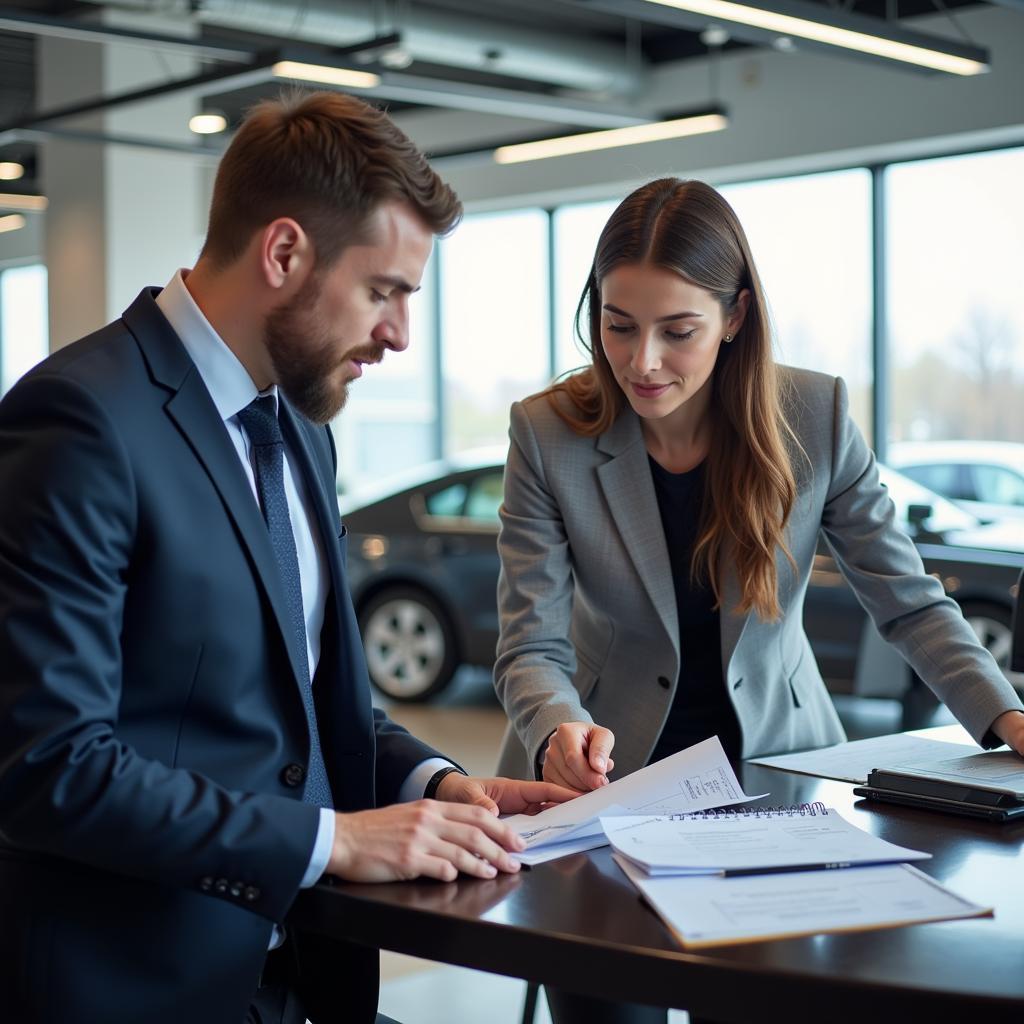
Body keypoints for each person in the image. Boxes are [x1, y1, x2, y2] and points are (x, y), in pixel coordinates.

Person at [0, 91, 575, 1024]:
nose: (398, 333)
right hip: (138, 986)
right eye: (384, 290)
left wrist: (431, 785)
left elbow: (295, 703)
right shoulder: (80, 421)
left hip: (299, 977)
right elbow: (50, 768)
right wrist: (334, 841)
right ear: (283, 253)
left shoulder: (299, 431)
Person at [493, 178, 1024, 1024]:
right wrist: (556, 727)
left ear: (735, 316)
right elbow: (531, 644)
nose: (642, 362)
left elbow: (909, 601)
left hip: (777, 783)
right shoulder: (547, 432)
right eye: (618, 325)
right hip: (606, 791)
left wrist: (1006, 717)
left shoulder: (814, 415)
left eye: (679, 330)